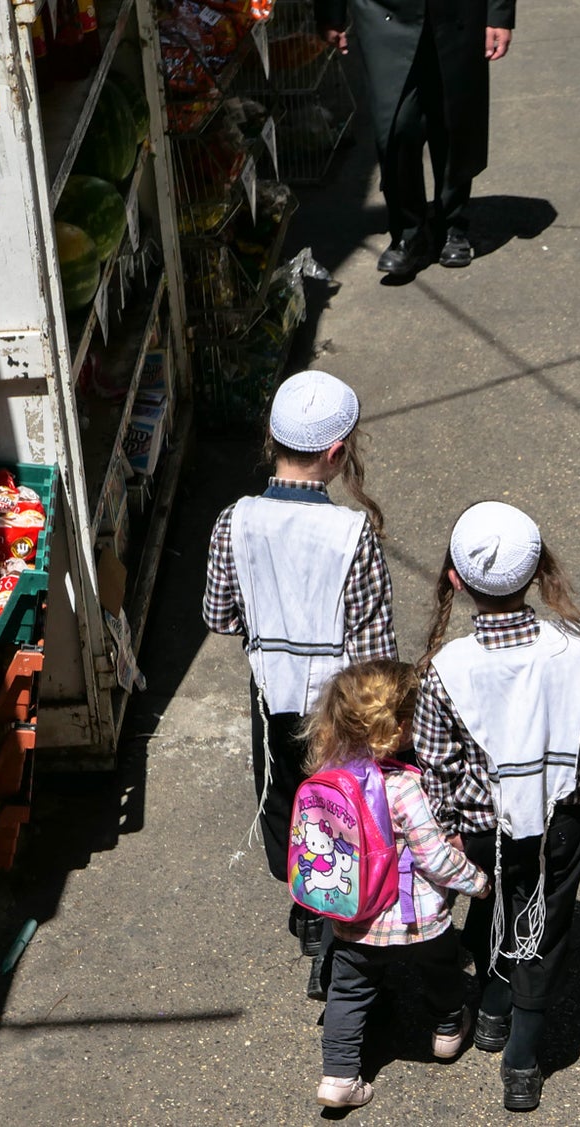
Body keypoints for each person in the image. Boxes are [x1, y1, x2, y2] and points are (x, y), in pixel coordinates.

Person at [413, 502, 580, 1111]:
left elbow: (437, 764)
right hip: (558, 820)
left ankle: (489, 1009)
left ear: (455, 581)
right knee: (547, 931)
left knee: (504, 908)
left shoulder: (444, 669)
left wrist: (452, 828)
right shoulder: (573, 645)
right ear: (538, 575)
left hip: (484, 829)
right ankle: (522, 1060)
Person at [202, 370, 396, 999]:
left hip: (269, 693)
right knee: (339, 808)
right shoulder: (352, 533)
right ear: (337, 454)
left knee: (285, 800)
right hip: (338, 699)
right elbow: (374, 646)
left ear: (274, 438)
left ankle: (307, 910)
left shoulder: (235, 521)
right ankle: (330, 930)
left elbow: (218, 615)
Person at [298, 660, 492, 1110]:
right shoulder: (405, 786)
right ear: (401, 728)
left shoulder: (328, 775)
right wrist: (478, 882)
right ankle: (446, 1030)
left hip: (353, 912)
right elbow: (435, 857)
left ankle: (339, 1076)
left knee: (348, 990)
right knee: (442, 969)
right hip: (417, 916)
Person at [315, 0, 515, 275]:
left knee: (453, 114)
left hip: (457, 14)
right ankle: (408, 231)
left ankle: (452, 222)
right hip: (382, 14)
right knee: (395, 125)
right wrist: (331, 14)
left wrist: (499, 14)